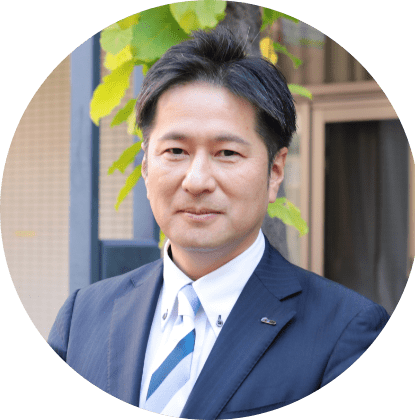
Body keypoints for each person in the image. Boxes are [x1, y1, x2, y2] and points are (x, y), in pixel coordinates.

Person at [48, 28, 389, 419]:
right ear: (145, 166)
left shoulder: (345, 332)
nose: (196, 181)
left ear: (275, 171)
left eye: (227, 153)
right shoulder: (83, 317)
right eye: (175, 150)